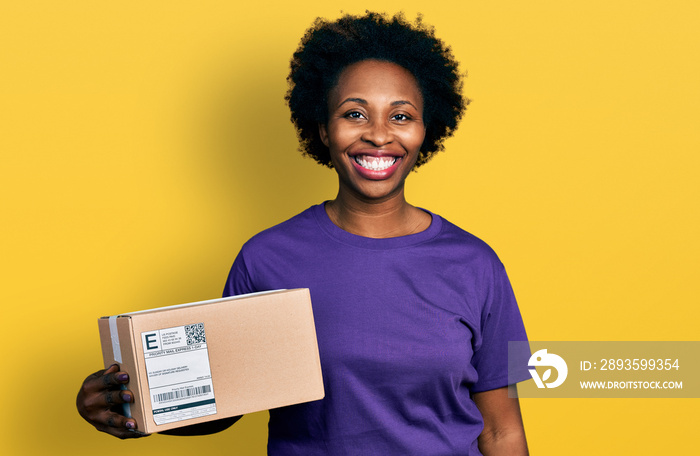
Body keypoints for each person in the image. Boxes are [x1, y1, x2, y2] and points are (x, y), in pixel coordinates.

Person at [77, 12, 530, 455]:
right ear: (323, 129)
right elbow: (224, 405)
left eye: (400, 116)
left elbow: (501, 433)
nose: (377, 135)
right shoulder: (267, 258)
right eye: (355, 114)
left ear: (424, 131)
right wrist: (128, 409)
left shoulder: (476, 264)